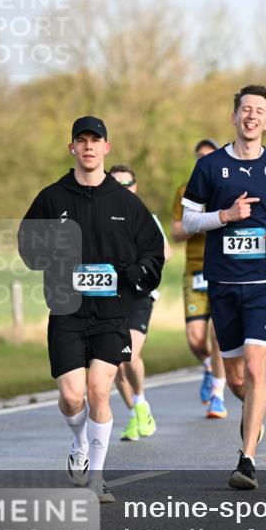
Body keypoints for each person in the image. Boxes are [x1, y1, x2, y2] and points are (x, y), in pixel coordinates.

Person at [18, 116, 165, 503]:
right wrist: (53, 255)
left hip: (112, 314)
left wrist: (134, 275)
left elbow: (152, 252)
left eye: (95, 140)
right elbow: (27, 245)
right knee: (72, 397)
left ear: (106, 147)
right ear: (72, 148)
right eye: (81, 140)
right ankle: (80, 442)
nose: (88, 146)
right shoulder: (52, 198)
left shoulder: (126, 202)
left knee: (100, 390)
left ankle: (97, 478)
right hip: (67, 311)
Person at [181, 85, 266, 490]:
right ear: (233, 117)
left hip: (265, 281)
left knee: (256, 367)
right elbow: (189, 221)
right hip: (223, 281)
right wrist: (225, 216)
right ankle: (254, 416)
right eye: (245, 109)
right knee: (237, 379)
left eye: (259, 111)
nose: (252, 116)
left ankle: (247, 458)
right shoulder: (210, 166)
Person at [108, 165, 171, 441]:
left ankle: (141, 402)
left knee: (129, 355)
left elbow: (165, 252)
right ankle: (136, 413)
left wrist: (140, 264)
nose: (122, 189)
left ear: (135, 186)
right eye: (115, 184)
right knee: (113, 361)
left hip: (139, 295)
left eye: (127, 184)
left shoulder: (147, 217)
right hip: (109, 296)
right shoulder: (100, 216)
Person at [171, 138, 228, 418]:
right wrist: (200, 220)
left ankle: (218, 394)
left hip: (222, 268)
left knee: (217, 334)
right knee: (195, 339)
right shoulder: (185, 191)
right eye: (199, 157)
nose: (203, 161)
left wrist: (215, 218)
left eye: (208, 156)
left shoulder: (226, 188)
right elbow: (176, 232)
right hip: (195, 269)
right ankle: (208, 366)